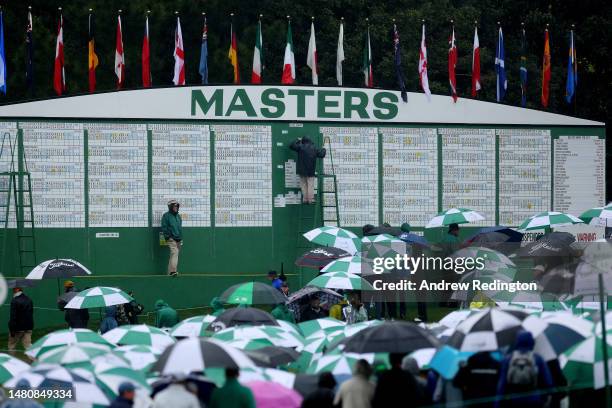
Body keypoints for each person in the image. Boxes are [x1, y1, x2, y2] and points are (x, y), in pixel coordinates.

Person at [496, 331, 553, 408]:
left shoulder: (508, 359)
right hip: (534, 399)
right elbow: (548, 382)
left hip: (513, 399)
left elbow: (502, 384)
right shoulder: (537, 358)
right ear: (531, 342)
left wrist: (498, 403)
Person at [289, 136, 326, 204]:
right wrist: (324, 149)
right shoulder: (314, 148)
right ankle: (310, 199)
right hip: (310, 171)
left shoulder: (300, 147)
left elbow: (291, 145)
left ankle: (305, 199)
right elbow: (322, 155)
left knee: (303, 185)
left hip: (301, 171)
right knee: (310, 185)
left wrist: (297, 139)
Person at [8, 287, 33, 355]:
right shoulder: (29, 299)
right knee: (29, 347)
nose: (13, 290)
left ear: (17, 289)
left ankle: (11, 364)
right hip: (28, 327)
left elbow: (13, 316)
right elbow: (30, 313)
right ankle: (35, 362)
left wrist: (12, 329)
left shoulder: (14, 300)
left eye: (14, 289)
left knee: (11, 346)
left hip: (17, 328)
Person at [161, 199, 183, 277]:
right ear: (170, 207)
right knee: (175, 252)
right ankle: (173, 271)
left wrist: (180, 239)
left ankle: (170, 273)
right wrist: (168, 237)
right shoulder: (166, 216)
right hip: (171, 238)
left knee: (174, 254)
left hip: (178, 239)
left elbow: (180, 228)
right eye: (174, 206)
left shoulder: (178, 217)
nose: (176, 207)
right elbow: (164, 227)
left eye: (177, 206)